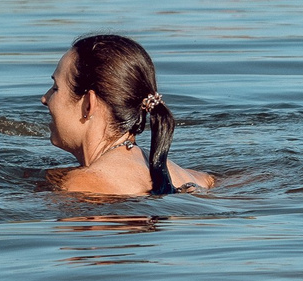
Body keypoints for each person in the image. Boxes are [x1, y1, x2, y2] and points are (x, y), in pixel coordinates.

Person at [42, 33, 213, 196]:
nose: (44, 98)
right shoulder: (194, 178)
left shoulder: (81, 185)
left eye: (56, 88)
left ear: (88, 105)